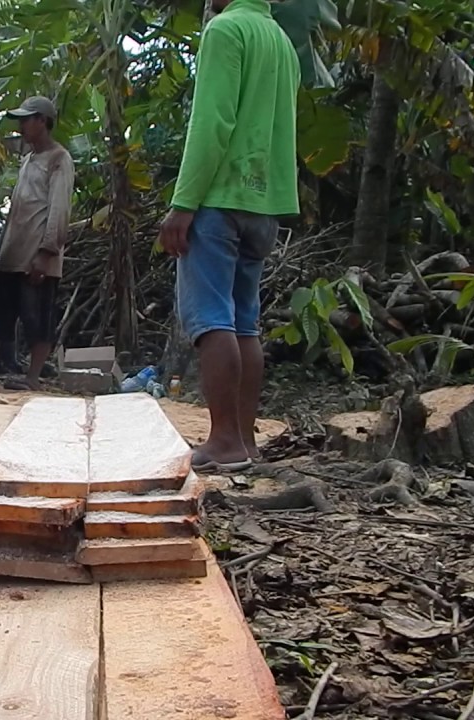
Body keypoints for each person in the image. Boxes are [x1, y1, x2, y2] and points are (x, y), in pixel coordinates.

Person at [157, 0, 300, 472]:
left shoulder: (226, 30)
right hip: (267, 202)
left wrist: (183, 204)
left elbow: (212, 123)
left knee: (212, 318)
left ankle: (222, 441)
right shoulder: (282, 42)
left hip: (221, 197)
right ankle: (244, 439)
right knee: (244, 323)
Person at [0, 96, 74, 390]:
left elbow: (59, 208)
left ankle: (32, 377)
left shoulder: (59, 159)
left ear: (42, 121)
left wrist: (47, 251)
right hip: (14, 253)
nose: (21, 126)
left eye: (26, 120)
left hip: (36, 254)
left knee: (37, 318)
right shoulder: (28, 159)